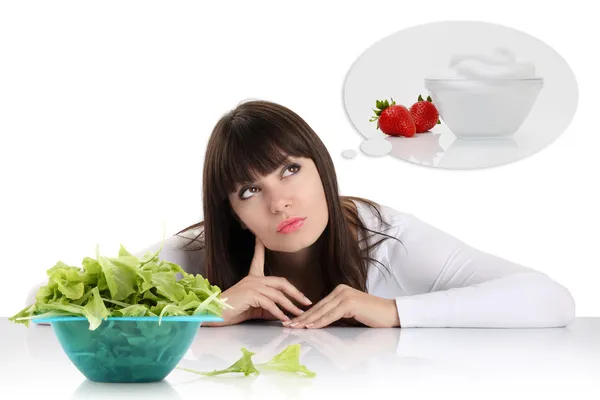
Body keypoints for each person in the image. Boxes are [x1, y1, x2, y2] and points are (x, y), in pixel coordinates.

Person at [25, 99, 576, 329]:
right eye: (248, 190)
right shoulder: (194, 256)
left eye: (289, 170)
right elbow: (42, 311)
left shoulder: (384, 235)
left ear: (322, 170)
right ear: (232, 213)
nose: (278, 202)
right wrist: (204, 312)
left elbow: (551, 300)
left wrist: (390, 311)